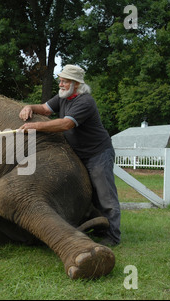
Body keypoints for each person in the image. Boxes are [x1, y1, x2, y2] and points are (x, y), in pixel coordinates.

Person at [18, 64, 121, 246]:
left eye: (65, 81)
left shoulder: (85, 101)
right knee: (89, 195)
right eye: (60, 80)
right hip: (79, 154)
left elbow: (66, 124)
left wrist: (35, 126)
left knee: (105, 196)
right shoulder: (63, 97)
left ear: (76, 83)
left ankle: (113, 236)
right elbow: (45, 108)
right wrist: (29, 107)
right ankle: (99, 228)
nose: (61, 84)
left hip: (97, 153)